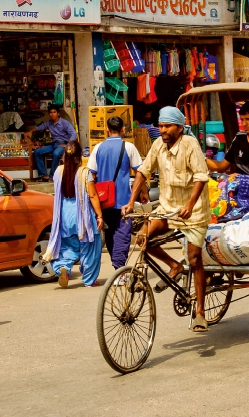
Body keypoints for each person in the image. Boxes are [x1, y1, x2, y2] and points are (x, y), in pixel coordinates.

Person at [121, 106, 211, 333]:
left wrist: (190, 206)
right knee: (143, 238)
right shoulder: (158, 145)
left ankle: (200, 312)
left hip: (194, 210)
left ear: (179, 127)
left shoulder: (190, 145)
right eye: (161, 126)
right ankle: (173, 265)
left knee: (194, 258)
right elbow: (143, 171)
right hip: (167, 207)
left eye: (168, 126)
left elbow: (201, 177)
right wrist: (131, 202)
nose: (163, 130)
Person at [43, 140, 104, 287]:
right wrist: (100, 215)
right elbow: (93, 195)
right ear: (81, 155)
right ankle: (89, 279)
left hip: (64, 216)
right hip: (82, 217)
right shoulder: (85, 172)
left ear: (65, 156)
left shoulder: (58, 172)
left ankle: (63, 267)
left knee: (68, 247)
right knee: (91, 246)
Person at [88, 116, 144, 271]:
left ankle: (117, 269)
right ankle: (119, 269)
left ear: (107, 129)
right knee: (122, 234)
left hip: (103, 200)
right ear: (123, 130)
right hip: (123, 200)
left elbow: (91, 175)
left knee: (111, 233)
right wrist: (142, 192)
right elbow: (140, 171)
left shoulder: (98, 148)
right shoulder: (129, 147)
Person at [32, 105, 77, 182]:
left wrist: (68, 145)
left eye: (54, 112)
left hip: (62, 145)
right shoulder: (49, 123)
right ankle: (43, 175)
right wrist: (30, 131)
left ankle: (52, 176)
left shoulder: (64, 123)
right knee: (36, 152)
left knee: (56, 154)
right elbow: (40, 127)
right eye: (50, 112)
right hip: (53, 145)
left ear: (58, 113)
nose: (52, 114)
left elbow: (74, 134)